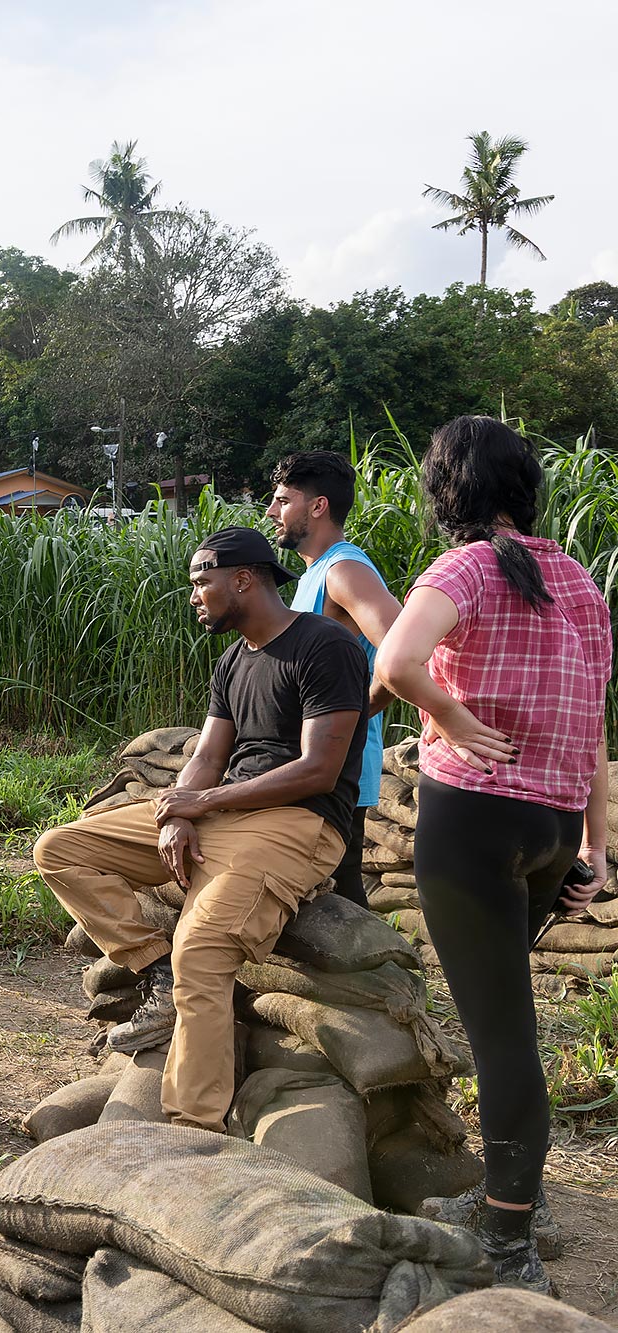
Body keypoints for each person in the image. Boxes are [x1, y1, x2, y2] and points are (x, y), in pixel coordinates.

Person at [376, 417, 611, 1294]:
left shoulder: (463, 567)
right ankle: (524, 1197)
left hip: (473, 821)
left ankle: (508, 1237)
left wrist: (457, 718)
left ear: (450, 489)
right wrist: (595, 845)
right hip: (551, 826)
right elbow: (593, 723)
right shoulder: (580, 581)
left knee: (502, 1037)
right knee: (511, 1018)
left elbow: (398, 659)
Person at [32, 526, 366, 1135]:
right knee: (60, 848)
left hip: (296, 824)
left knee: (204, 952)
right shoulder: (235, 657)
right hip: (224, 810)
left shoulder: (326, 647)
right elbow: (209, 754)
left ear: (243, 578)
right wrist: (181, 812)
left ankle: (192, 1129)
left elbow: (319, 769)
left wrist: (202, 802)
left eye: (200, 581)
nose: (193, 595)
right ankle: (151, 968)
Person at [267, 452, 402, 907]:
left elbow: (403, 654)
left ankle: (390, 977)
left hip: (335, 771)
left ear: (318, 506)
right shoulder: (314, 575)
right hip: (309, 765)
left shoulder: (344, 572)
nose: (272, 511)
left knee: (340, 900)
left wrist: (356, 712)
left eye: (283, 500)